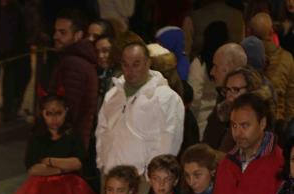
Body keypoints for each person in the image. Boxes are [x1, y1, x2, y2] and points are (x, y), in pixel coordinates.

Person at [96, 41, 184, 182]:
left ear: (148, 63)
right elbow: (102, 131)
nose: (130, 70)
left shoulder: (167, 98)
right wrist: (102, 163)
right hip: (110, 176)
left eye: (136, 64)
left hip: (143, 180)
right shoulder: (112, 95)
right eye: (125, 64)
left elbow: (169, 142)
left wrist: (151, 179)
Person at [49, 8, 98, 150]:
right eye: (56, 31)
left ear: (78, 35)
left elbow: (68, 108)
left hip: (66, 143)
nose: (55, 36)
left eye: (62, 32)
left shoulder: (73, 64)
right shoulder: (75, 60)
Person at [248, 11, 294, 137]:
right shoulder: (287, 58)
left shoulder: (245, 55)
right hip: (278, 124)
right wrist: (287, 124)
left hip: (251, 121)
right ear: (271, 31)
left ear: (250, 32)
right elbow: (291, 96)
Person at [202, 43, 247, 151]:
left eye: (216, 66)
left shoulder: (243, 109)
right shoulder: (223, 97)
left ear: (229, 70)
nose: (212, 72)